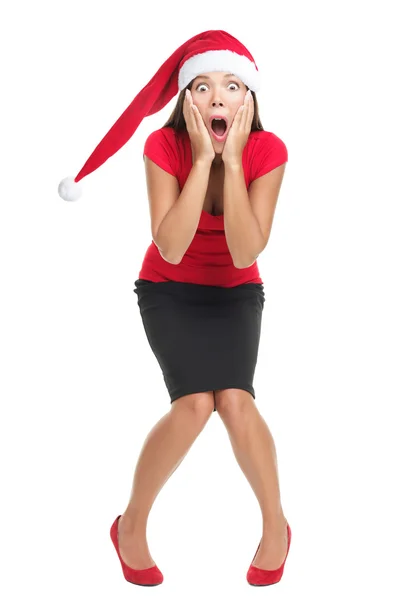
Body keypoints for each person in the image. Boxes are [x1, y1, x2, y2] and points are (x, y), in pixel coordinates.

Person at [58, 30, 291, 588]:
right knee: (192, 407)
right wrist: (203, 160)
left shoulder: (268, 151)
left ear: (248, 101)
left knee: (233, 401)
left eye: (232, 86)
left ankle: (277, 529)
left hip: (236, 292)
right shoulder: (162, 148)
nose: (218, 97)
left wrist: (231, 164)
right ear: (187, 99)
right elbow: (170, 245)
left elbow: (244, 250)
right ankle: (130, 526)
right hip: (169, 288)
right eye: (204, 86)